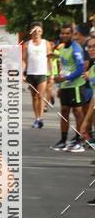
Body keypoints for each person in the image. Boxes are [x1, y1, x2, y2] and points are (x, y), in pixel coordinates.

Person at [51, 24, 87, 152]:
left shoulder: (76, 48)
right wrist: (60, 85)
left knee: (78, 112)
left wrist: (66, 78)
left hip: (76, 85)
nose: (64, 35)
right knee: (64, 111)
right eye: (63, 33)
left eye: (67, 33)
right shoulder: (62, 48)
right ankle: (63, 140)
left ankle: (79, 140)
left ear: (72, 34)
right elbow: (64, 67)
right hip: (65, 85)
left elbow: (80, 68)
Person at [23, 22, 52, 128]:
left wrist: (52, 74)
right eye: (35, 31)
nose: (37, 33)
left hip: (42, 73)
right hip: (31, 74)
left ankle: (40, 118)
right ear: (31, 32)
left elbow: (49, 59)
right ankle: (36, 118)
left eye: (39, 31)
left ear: (42, 32)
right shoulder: (27, 44)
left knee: (40, 96)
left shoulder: (46, 43)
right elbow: (24, 60)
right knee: (34, 97)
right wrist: (22, 72)